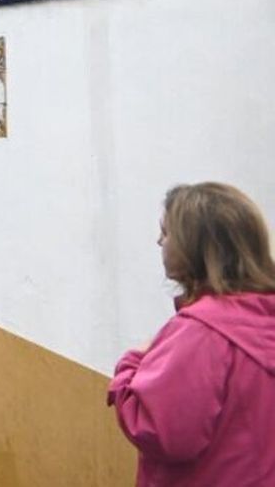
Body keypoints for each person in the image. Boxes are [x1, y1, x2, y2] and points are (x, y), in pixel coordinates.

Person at [108, 183, 275, 486]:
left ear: (195, 246)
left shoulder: (202, 333)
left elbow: (163, 433)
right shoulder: (263, 317)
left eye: (167, 232)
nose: (159, 242)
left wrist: (130, 367)